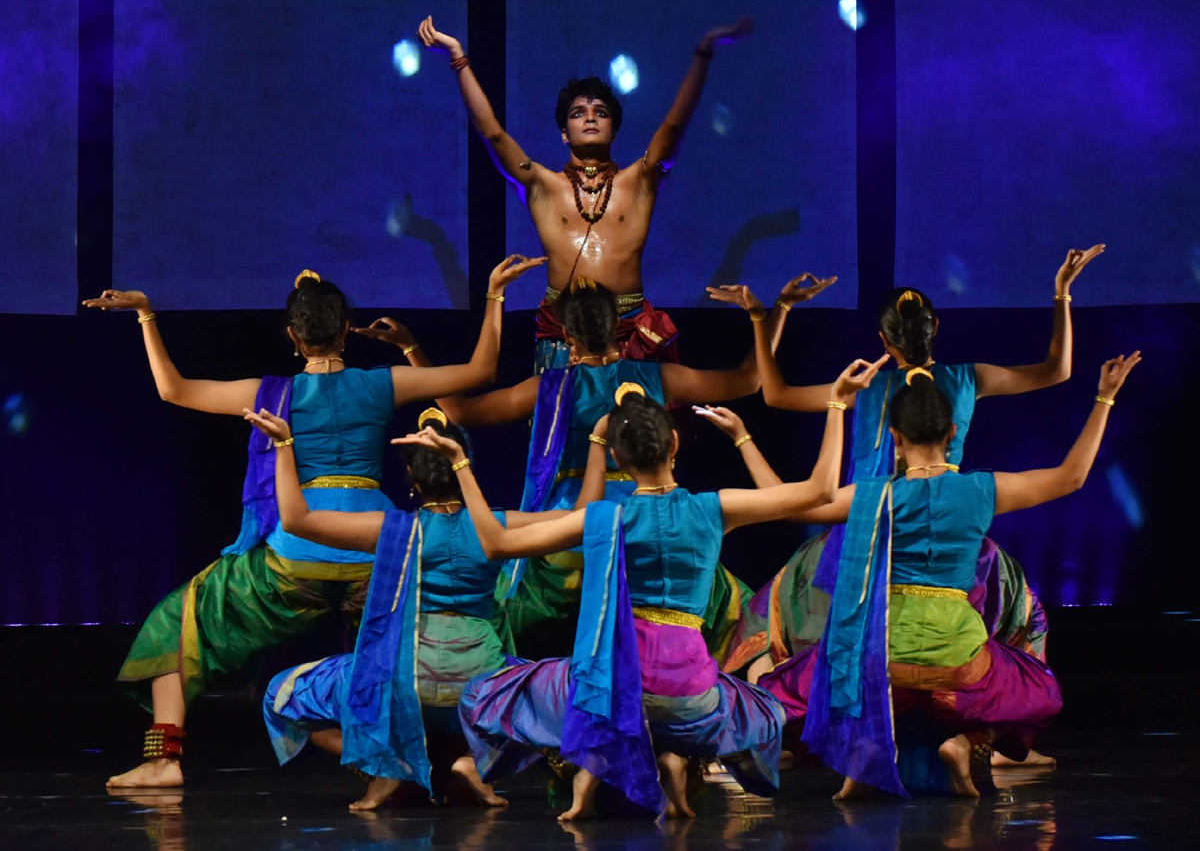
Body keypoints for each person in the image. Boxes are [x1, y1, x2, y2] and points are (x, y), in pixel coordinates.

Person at [82, 255, 543, 788]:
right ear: (347, 331)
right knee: (462, 616)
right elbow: (480, 371)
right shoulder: (381, 384)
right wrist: (492, 297)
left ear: (292, 336)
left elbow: (175, 390)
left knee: (178, 618)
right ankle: (461, 751)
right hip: (380, 556)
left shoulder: (271, 393)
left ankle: (165, 760)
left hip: (296, 555)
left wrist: (146, 315)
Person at [401, 357, 886, 820]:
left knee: (494, 691)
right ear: (675, 444)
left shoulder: (604, 517)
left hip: (617, 689)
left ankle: (599, 766)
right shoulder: (713, 509)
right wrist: (836, 405)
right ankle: (675, 755)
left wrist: (462, 465)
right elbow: (821, 490)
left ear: (615, 456)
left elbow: (497, 542)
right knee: (759, 705)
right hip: (692, 693)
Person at [709, 250, 1101, 721]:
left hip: (866, 521)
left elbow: (773, 395)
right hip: (952, 525)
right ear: (935, 327)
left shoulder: (864, 387)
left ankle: (778, 721)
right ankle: (991, 730)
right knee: (1024, 612)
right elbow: (1057, 371)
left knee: (773, 609)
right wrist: (1062, 294)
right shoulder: (968, 380)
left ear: (882, 339)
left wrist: (767, 315)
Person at [787, 355, 1139, 798]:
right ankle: (967, 742)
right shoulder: (981, 490)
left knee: (813, 674)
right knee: (1036, 687)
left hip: (881, 655)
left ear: (894, 439)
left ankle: (863, 756)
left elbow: (802, 501)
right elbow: (1071, 477)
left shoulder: (874, 496)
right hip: (959, 659)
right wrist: (1105, 397)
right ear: (952, 433)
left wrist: (762, 433)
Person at [243, 405, 606, 810]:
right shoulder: (500, 526)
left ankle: (390, 766)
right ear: (462, 466)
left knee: (282, 694)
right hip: (482, 684)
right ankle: (474, 763)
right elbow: (582, 515)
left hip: (402, 682)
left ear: (412, 478)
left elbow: (295, 520)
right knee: (560, 701)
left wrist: (284, 444)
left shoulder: (390, 529)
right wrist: (597, 440)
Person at [430, 279, 795, 658]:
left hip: (572, 522)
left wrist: (414, 353)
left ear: (568, 335)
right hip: (650, 515)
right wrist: (770, 312)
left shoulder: (549, 386)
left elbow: (460, 412)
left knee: (516, 599)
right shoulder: (657, 377)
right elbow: (750, 380)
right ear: (619, 326)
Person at [417, 14, 754, 370]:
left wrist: (704, 51)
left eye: (601, 112)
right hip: (563, 337)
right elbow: (494, 135)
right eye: (578, 113)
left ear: (614, 130)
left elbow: (673, 126)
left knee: (637, 427)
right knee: (566, 426)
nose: (590, 117)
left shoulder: (638, 182)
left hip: (630, 334)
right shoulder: (543, 186)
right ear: (564, 133)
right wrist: (458, 58)